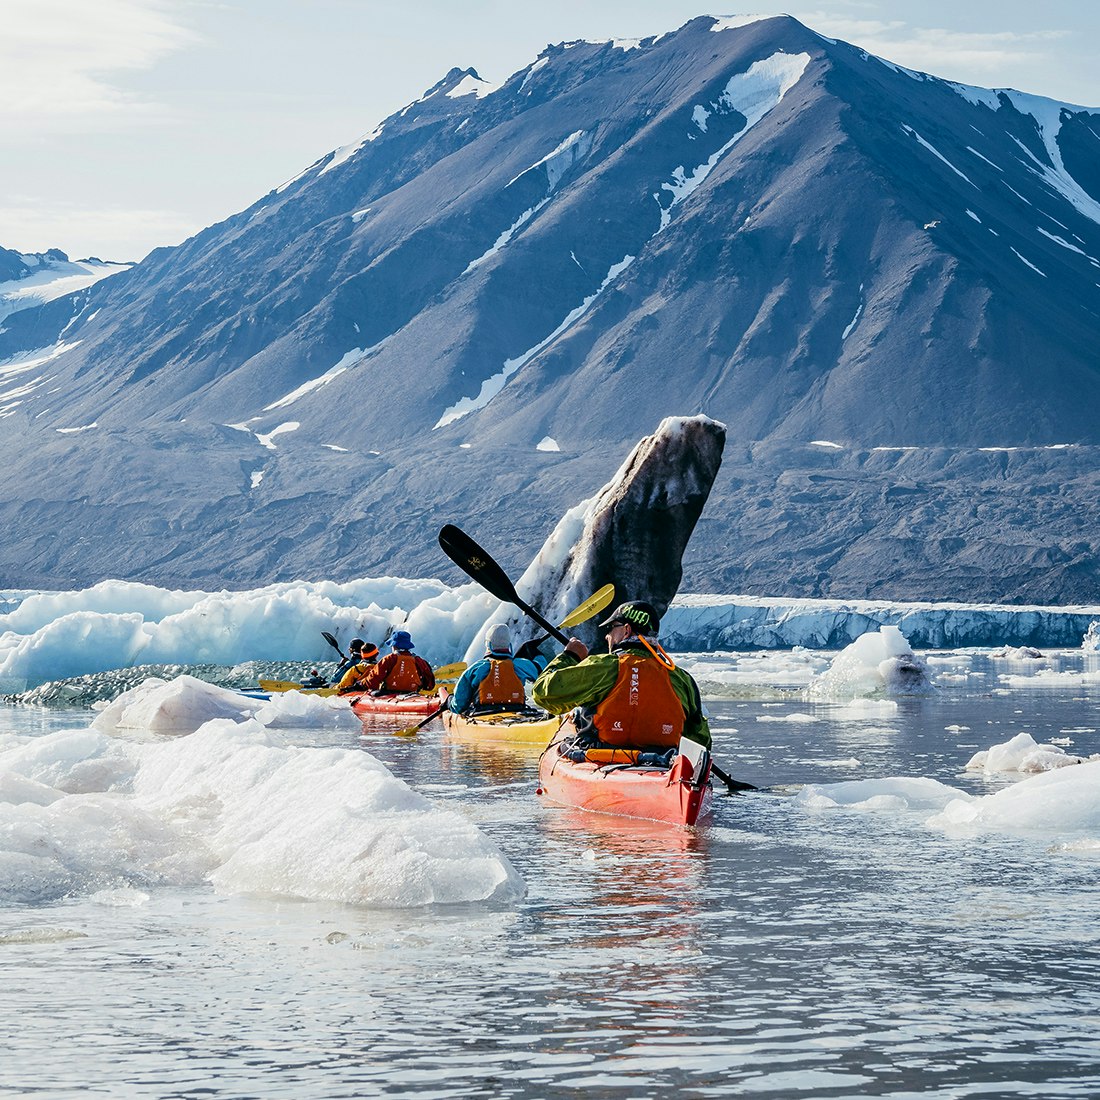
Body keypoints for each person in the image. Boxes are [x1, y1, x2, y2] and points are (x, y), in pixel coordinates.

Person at [532, 600, 711, 751]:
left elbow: (542, 693)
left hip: (602, 758)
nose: (607, 636)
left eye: (611, 628)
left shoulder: (603, 666)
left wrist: (569, 656)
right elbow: (700, 740)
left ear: (626, 630)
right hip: (662, 767)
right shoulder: (681, 678)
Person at [448, 624, 550, 714]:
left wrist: (449, 701)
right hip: (517, 712)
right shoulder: (521, 665)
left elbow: (458, 706)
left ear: (488, 645)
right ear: (509, 645)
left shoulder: (476, 668)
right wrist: (534, 652)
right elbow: (544, 671)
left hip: (482, 714)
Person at [357, 630, 435, 694]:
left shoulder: (389, 659)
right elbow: (429, 685)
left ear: (394, 646)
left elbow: (373, 680)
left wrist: (361, 684)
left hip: (389, 694)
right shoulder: (419, 661)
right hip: (412, 695)